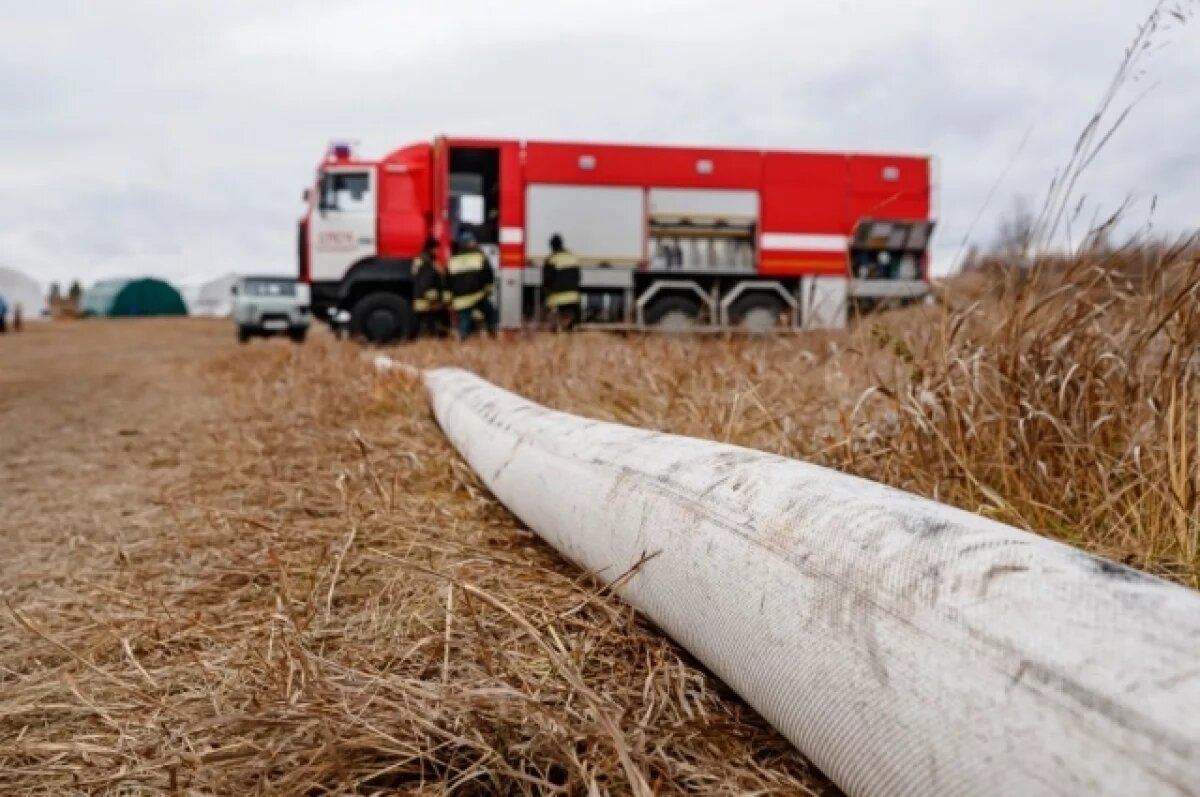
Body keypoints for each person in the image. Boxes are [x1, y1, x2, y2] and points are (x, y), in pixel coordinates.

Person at [446, 230, 498, 340]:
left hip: (460, 298)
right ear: (469, 243)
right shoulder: (479, 256)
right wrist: (488, 288)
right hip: (476, 294)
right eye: (473, 241)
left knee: (465, 320)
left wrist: (450, 297)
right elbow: (487, 274)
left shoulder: (453, 259)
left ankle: (464, 340)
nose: (475, 243)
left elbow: (447, 280)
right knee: (491, 313)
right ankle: (492, 333)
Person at [543, 233, 581, 331]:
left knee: (552, 319)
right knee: (569, 323)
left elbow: (547, 280)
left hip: (556, 299)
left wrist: (546, 293)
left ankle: (556, 330)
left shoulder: (551, 259)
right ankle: (570, 327)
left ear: (552, 246)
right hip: (573, 298)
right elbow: (578, 277)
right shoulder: (572, 257)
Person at [412, 236, 447, 338]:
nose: (437, 251)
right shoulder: (428, 262)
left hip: (420, 297)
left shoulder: (419, 260)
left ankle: (428, 336)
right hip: (428, 298)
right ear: (431, 249)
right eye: (436, 248)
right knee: (429, 321)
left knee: (425, 321)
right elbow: (428, 279)